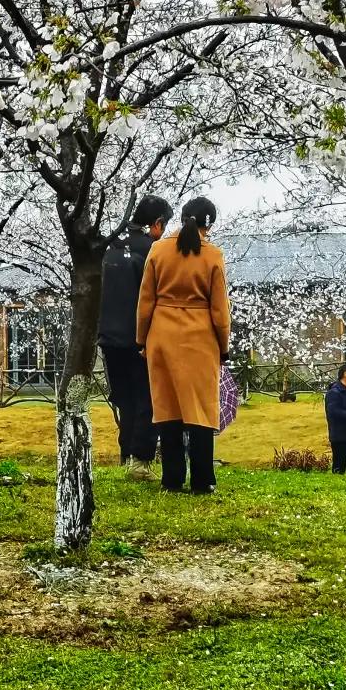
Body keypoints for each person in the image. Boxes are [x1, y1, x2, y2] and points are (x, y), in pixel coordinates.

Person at [138, 197, 231, 495]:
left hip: (161, 334)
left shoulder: (158, 249)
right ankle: (203, 481)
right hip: (200, 336)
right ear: (210, 225)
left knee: (168, 408)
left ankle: (172, 479)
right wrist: (223, 344)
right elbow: (220, 310)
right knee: (200, 409)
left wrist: (142, 339)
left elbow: (145, 302)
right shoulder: (213, 255)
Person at [99, 195, 171, 470]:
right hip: (141, 338)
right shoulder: (154, 249)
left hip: (108, 336)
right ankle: (141, 460)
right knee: (147, 398)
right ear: (157, 223)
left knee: (124, 399)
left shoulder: (110, 244)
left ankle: (125, 454)